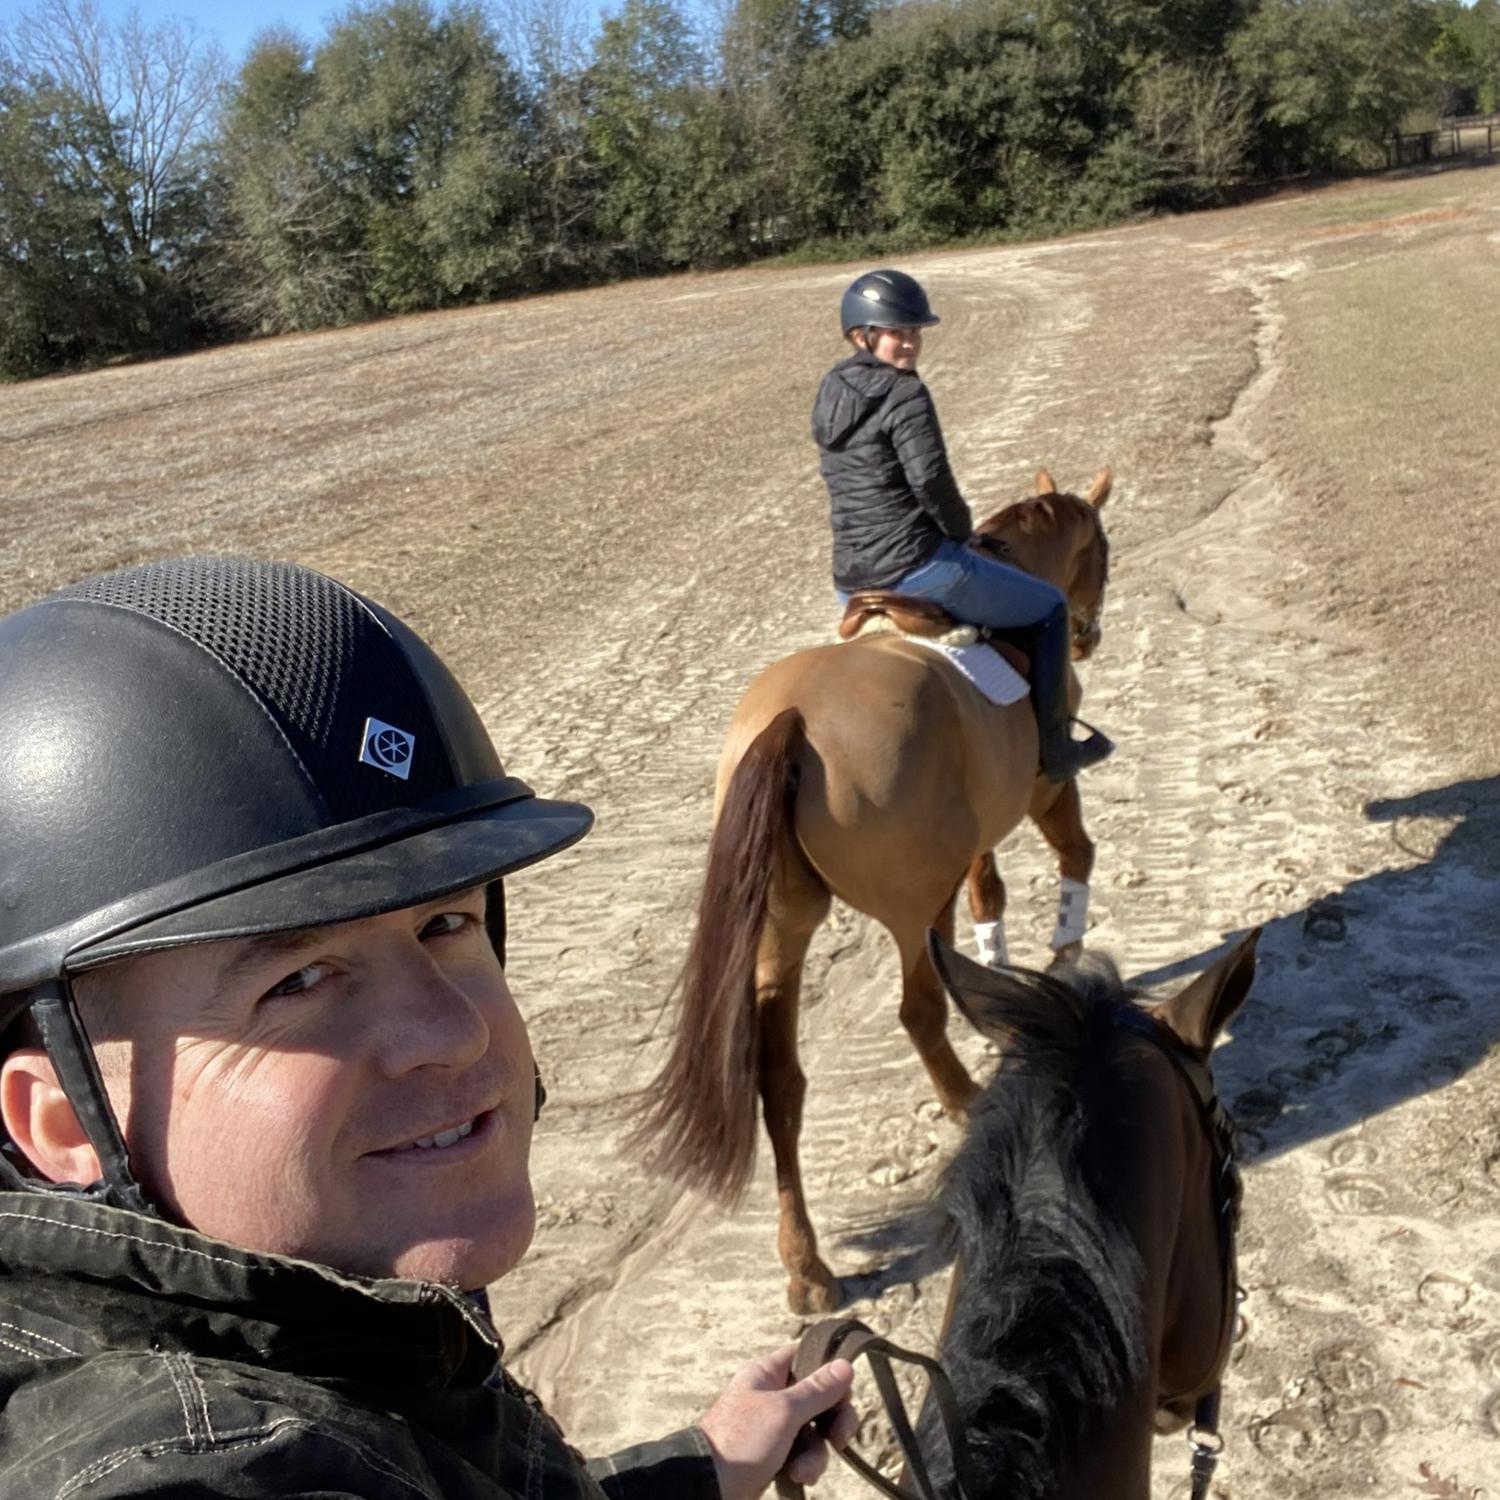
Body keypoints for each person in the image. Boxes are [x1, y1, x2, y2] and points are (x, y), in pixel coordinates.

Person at [0, 555, 855, 1498]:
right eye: (299, 979)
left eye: (444, 924)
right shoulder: (193, 1469)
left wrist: (703, 1468)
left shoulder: (332, 1335)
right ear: (65, 1122)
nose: (452, 1032)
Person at [811, 267, 1113, 782]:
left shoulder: (833, 389)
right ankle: (1057, 748)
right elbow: (930, 479)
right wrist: (958, 531)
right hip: (916, 566)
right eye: (897, 332)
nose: (909, 344)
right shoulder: (903, 393)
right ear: (863, 335)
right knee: (1049, 608)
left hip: (851, 581)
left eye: (914, 332)